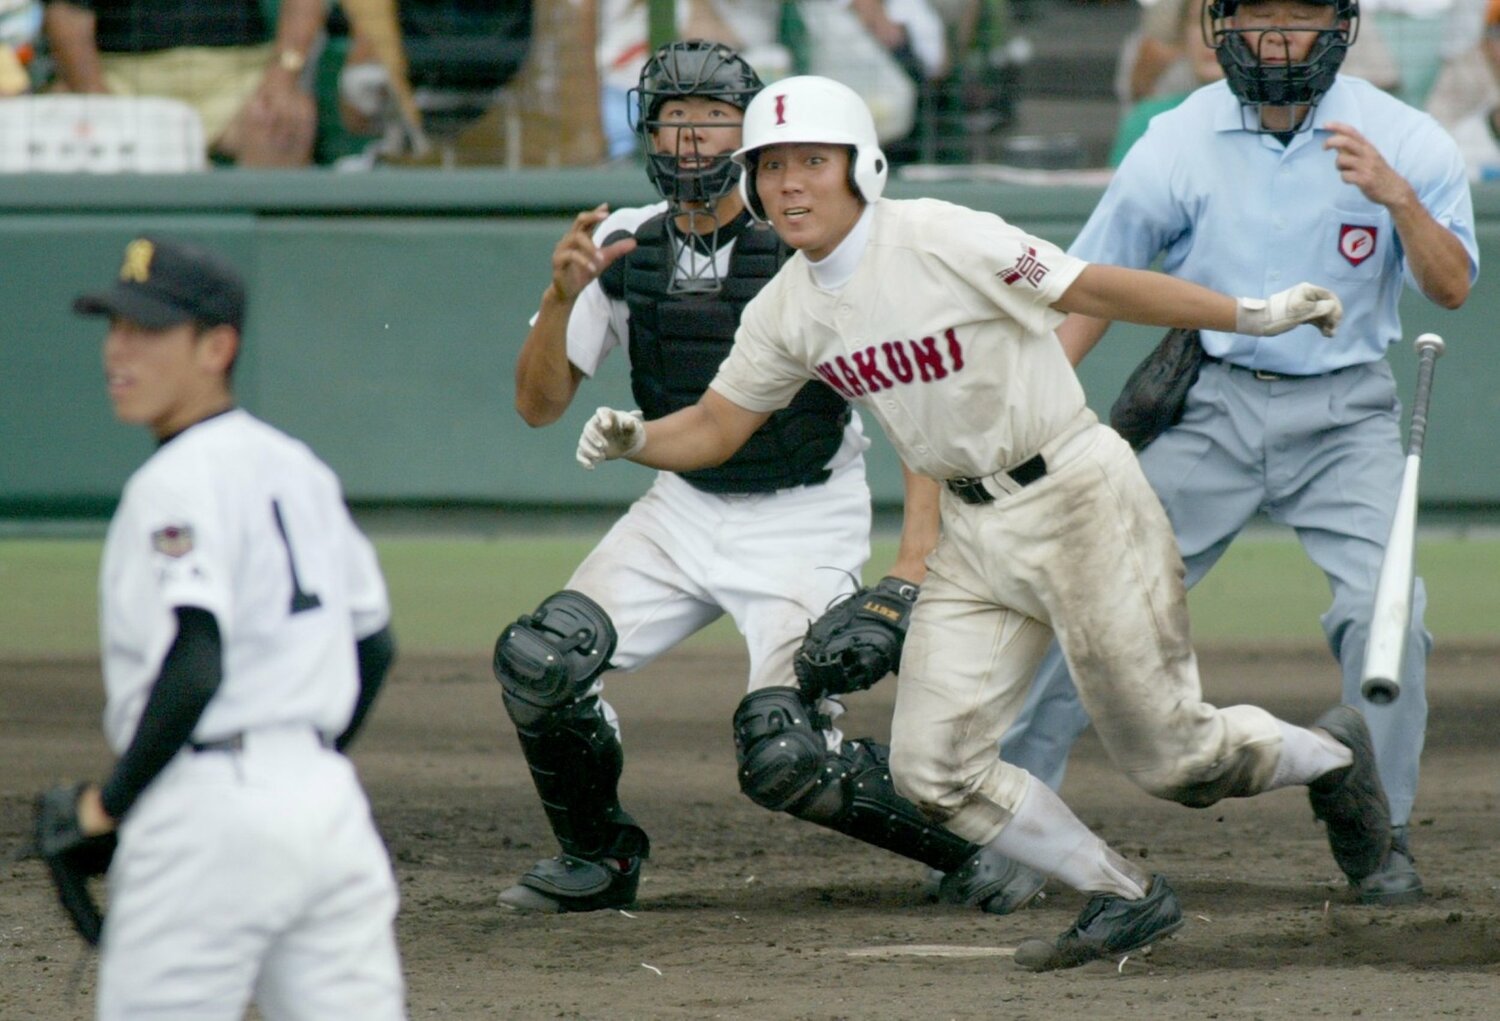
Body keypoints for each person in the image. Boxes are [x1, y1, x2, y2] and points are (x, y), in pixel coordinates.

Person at [572, 72, 1395, 973]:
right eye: (769, 166)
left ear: (862, 168)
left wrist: (1257, 315)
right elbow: (720, 424)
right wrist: (637, 436)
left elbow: (1093, 287)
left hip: (1079, 499)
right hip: (972, 534)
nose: (788, 183)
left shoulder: (938, 236)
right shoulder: (789, 308)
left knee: (1176, 761)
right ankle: (1125, 895)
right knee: (936, 771)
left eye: (812, 160)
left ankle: (1329, 755)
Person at [494, 39, 1043, 918]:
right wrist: (561, 298)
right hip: (680, 509)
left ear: (751, 137)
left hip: (804, 514)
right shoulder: (621, 242)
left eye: (714, 120)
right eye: (674, 119)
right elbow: (536, 405)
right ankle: (597, 858)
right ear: (648, 132)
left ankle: (981, 843)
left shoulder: (804, 237)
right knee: (540, 662)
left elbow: (915, 400)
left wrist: (912, 561)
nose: (691, 140)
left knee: (786, 753)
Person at [1001, 0, 1476, 908]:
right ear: (1220, 26)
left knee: (1389, 615)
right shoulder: (1177, 138)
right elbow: (1088, 284)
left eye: (1296, 18)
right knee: (1096, 595)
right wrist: (1032, 407)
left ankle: (1384, 832)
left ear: (1339, 27)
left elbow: (1451, 287)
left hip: (1346, 416)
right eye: (1256, 17)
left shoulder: (1402, 138)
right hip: (1208, 406)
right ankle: (1013, 820)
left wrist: (1398, 198)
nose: (1275, 39)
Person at [67, 236, 406, 1017]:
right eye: (114, 326)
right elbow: (376, 643)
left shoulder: (172, 481)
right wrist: (297, 761)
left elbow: (196, 660)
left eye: (148, 332)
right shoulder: (299, 466)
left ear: (217, 346)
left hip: (205, 815)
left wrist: (110, 805)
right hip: (329, 811)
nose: (119, 351)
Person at [43, 0, 325, 166]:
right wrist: (96, 97)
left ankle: (259, 264)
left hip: (235, 76)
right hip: (124, 81)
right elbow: (66, 13)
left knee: (290, 119)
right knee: (70, 126)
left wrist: (283, 76)